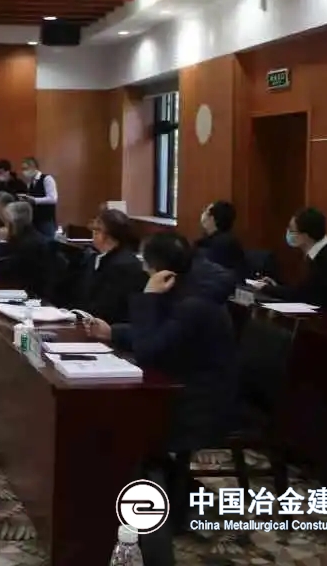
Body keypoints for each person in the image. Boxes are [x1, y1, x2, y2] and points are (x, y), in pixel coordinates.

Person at [85, 232, 238, 566]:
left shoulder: (194, 303)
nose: (141, 267)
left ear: (158, 267)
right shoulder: (185, 289)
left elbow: (150, 349)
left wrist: (147, 297)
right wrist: (112, 331)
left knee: (127, 422)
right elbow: (158, 334)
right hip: (183, 387)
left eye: (144, 261)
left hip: (201, 403)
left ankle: (149, 508)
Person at [259, 207, 327, 313]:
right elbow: (304, 291)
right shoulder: (318, 254)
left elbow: (307, 296)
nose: (288, 233)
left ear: (305, 236)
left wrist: (268, 289)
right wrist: (275, 287)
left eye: (292, 230)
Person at [65, 208, 146, 324]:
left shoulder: (124, 265)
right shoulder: (95, 258)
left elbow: (107, 307)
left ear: (105, 235)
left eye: (96, 229)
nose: (93, 233)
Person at [0, 201, 58, 298]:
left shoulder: (28, 243)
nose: (5, 225)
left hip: (32, 295)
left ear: (13, 223)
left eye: (7, 222)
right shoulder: (25, 237)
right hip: (25, 290)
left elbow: (4, 270)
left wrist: (1, 242)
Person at [195, 200, 247, 278]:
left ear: (212, 218)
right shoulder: (207, 240)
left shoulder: (223, 244)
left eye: (205, 211)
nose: (202, 214)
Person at [18, 157, 58, 237]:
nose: (24, 172)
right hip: (34, 220)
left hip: (46, 219)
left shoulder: (47, 179)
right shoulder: (30, 183)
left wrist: (34, 200)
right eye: (22, 169)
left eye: (26, 168)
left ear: (34, 167)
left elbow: (53, 199)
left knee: (48, 242)